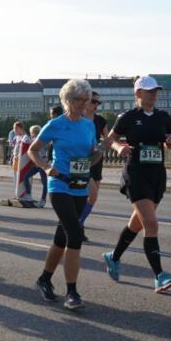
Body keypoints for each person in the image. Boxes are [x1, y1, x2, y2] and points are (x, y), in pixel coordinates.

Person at [102, 76, 171, 293]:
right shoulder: (128, 117)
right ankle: (159, 276)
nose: (153, 95)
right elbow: (110, 139)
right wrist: (119, 147)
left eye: (156, 91)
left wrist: (170, 142)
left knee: (137, 223)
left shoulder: (163, 117)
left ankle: (113, 256)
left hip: (156, 174)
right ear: (138, 93)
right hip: (136, 173)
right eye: (149, 91)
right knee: (151, 224)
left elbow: (169, 141)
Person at [27, 79, 101, 311]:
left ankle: (44, 279)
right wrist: (46, 167)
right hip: (59, 185)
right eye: (79, 99)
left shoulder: (88, 126)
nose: (83, 104)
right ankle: (72, 292)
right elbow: (32, 150)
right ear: (68, 100)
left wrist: (100, 151)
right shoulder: (55, 124)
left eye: (86, 100)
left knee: (62, 237)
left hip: (79, 185)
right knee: (74, 234)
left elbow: (91, 156)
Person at [78, 91, 108, 241]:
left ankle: (78, 224)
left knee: (92, 199)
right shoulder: (78, 118)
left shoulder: (101, 120)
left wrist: (104, 146)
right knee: (88, 194)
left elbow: (108, 139)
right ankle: (76, 224)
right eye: (93, 102)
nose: (96, 105)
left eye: (98, 103)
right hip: (81, 160)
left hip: (97, 160)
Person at [21, 125, 48, 207]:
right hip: (38, 163)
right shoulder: (40, 139)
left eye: (31, 133)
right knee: (26, 176)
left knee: (44, 183)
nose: (30, 134)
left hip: (42, 163)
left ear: (34, 133)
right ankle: (29, 194)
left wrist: (25, 137)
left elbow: (28, 141)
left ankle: (42, 200)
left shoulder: (38, 140)